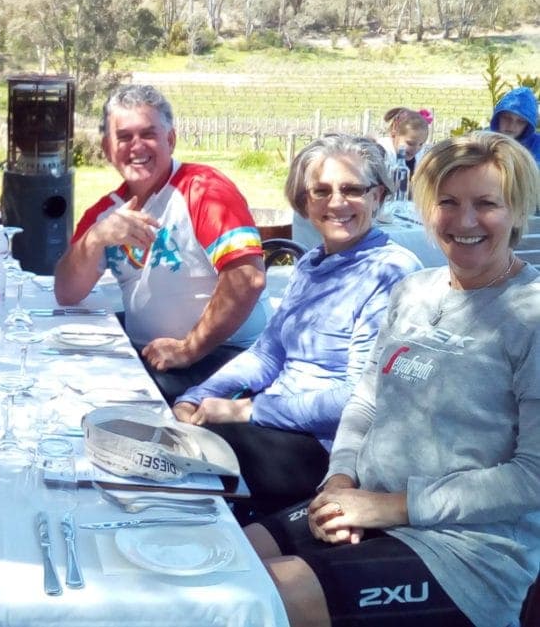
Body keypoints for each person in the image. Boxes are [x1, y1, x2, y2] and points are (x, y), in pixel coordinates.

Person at [247, 130, 540, 627]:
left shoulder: (529, 315)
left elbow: (531, 477)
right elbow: (365, 403)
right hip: (367, 505)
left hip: (464, 552)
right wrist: (338, 483)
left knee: (254, 600)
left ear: (517, 210)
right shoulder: (412, 291)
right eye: (448, 202)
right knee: (224, 558)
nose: (464, 220)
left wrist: (388, 508)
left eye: (486, 203)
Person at [173, 134, 421, 521]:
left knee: (195, 452)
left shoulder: (390, 273)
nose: (336, 202)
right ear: (304, 202)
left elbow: (357, 401)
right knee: (171, 403)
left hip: (327, 449)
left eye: (352, 189)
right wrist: (197, 395)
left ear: (378, 196)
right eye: (321, 191)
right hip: (279, 421)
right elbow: (266, 353)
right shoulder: (310, 265)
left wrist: (248, 410)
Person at [54, 84, 267, 402]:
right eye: (124, 137)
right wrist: (97, 237)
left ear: (171, 140)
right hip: (149, 356)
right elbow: (67, 292)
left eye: (148, 134)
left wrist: (189, 348)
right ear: (108, 148)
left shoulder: (204, 189)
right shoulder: (106, 212)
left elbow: (248, 279)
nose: (136, 146)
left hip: (224, 357)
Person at [491, 85, 540, 163]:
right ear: (498, 117)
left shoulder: (537, 145)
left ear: (528, 125)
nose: (511, 126)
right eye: (506, 118)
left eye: (520, 122)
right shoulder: (484, 141)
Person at [377, 106, 431, 175]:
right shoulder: (381, 153)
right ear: (395, 132)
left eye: (421, 144)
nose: (416, 149)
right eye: (410, 143)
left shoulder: (419, 158)